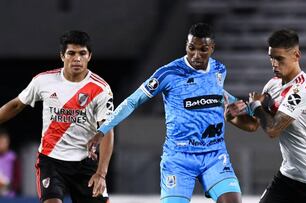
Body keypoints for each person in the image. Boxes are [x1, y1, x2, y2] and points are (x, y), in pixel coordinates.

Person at [87, 23, 242, 203]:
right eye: (191, 48)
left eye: (203, 50)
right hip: (179, 158)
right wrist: (102, 130)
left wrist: (250, 105)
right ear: (186, 45)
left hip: (214, 155)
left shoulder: (219, 70)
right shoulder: (168, 73)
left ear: (212, 48)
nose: (196, 55)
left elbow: (218, 94)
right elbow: (132, 101)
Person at [225, 29, 306, 203]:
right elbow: (254, 125)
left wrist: (256, 105)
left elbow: (273, 129)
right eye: (271, 57)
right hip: (289, 176)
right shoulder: (273, 85)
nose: (274, 64)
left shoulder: (305, 90)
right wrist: (232, 117)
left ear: (296, 55)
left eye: (279, 58)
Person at [0, 31, 114, 203]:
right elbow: (16, 105)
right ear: (62, 56)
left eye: (82, 53)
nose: (77, 58)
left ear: (89, 56)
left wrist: (101, 173)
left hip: (85, 162)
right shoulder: (43, 81)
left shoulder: (100, 89)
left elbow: (107, 130)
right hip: (51, 161)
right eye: (71, 53)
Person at [0, 126, 20, 197]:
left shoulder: (13, 157)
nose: (2, 144)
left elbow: (17, 179)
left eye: (4, 141)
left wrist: (7, 185)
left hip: (9, 196)